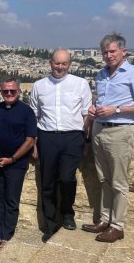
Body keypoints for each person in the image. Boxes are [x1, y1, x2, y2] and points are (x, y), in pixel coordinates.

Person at [81, 33, 134, 243]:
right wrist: (94, 109)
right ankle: (104, 220)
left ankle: (117, 226)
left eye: (112, 51)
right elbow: (102, 101)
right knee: (104, 178)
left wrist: (117, 109)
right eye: (105, 52)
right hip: (99, 129)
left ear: (124, 51)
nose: (108, 55)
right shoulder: (101, 75)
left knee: (119, 181)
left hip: (120, 130)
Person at [29, 49, 92, 242]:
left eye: (64, 64)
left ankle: (67, 212)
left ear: (70, 65)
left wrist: (87, 140)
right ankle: (50, 223)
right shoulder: (39, 86)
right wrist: (33, 143)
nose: (60, 67)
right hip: (47, 136)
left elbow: (86, 115)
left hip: (73, 137)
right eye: (57, 63)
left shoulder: (80, 84)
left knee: (66, 178)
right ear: (50, 63)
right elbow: (34, 116)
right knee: (47, 181)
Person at [0, 78, 36, 253]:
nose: (9, 94)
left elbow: (30, 140)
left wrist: (12, 159)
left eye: (13, 91)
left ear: (19, 92)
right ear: (1, 92)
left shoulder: (27, 112)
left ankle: (6, 236)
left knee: (11, 200)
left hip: (16, 164)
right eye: (6, 91)